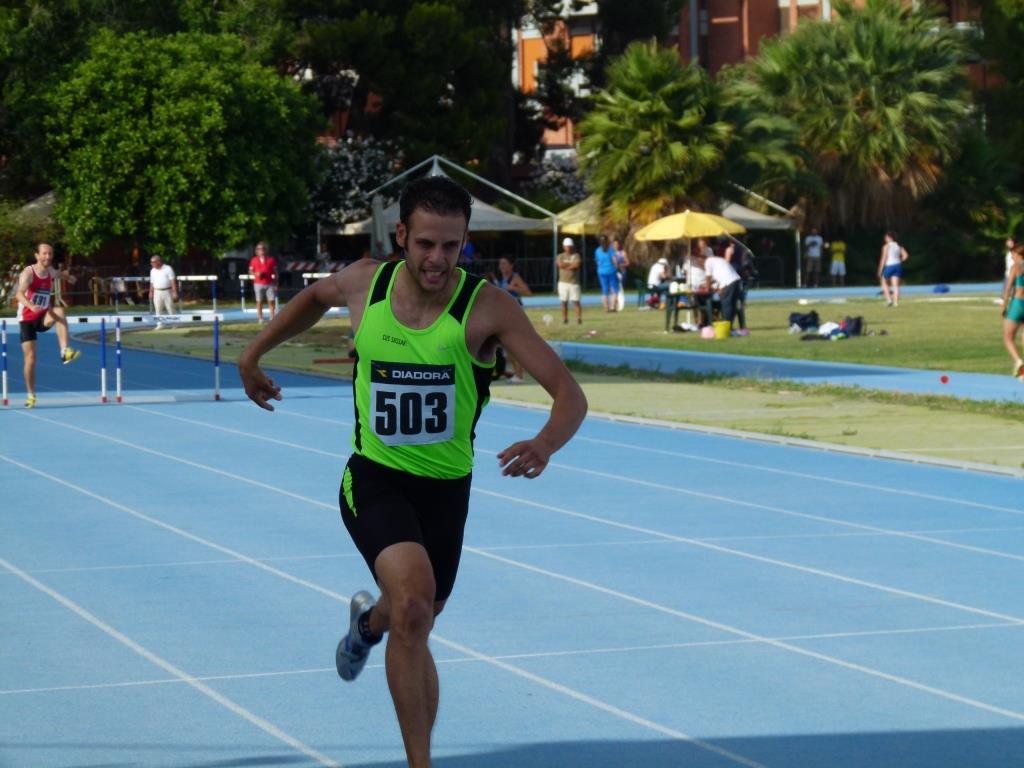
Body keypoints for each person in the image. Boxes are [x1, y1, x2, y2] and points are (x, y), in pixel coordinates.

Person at [237, 175, 587, 768]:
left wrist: (545, 443)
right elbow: (312, 299)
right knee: (416, 606)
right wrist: (252, 355)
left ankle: (365, 627)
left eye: (452, 246)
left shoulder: (487, 308)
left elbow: (569, 395)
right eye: (426, 243)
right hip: (374, 478)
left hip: (446, 493)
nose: (437, 259)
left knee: (413, 615)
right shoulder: (365, 284)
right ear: (401, 235)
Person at [14, 242, 81, 408]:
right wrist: (31, 305)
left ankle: (65, 352)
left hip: (43, 316)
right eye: (44, 253)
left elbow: (59, 274)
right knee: (31, 359)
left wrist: (69, 277)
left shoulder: (50, 271)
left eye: (50, 253)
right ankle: (31, 395)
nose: (48, 256)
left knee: (59, 311)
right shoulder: (28, 273)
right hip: (27, 319)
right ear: (37, 255)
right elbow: (19, 294)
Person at [493, 255, 533, 383]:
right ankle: (516, 373)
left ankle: (519, 375)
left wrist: (513, 288)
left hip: (515, 315)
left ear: (511, 265)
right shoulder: (502, 278)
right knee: (507, 346)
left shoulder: (514, 277)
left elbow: (528, 292)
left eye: (504, 264)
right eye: (500, 264)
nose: (502, 266)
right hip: (504, 314)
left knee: (513, 346)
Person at [700, 247, 744, 333]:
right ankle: (730, 325)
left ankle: (726, 327)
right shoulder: (717, 260)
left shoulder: (708, 261)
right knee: (732, 305)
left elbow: (708, 277)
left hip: (729, 282)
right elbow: (719, 276)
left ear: (702, 259)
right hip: (736, 280)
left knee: (726, 305)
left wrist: (707, 288)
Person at [1002, 243, 1024, 378]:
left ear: (1019, 255)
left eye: (1013, 255)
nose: (1012, 257)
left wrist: (1003, 306)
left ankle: (1018, 362)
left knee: (1008, 337)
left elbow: (1008, 288)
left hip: (1018, 304)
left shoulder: (1015, 267)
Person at [249, 242, 279, 324]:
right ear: (256, 251)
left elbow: (275, 272)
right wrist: (256, 274)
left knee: (271, 300)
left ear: (266, 250)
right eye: (259, 249)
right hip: (258, 283)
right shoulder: (254, 260)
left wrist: (276, 283)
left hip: (269, 283)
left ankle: (272, 317)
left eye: (262, 249)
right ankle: (260, 317)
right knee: (259, 301)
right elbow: (250, 271)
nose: (261, 250)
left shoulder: (271, 260)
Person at [877, 231, 909, 307]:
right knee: (896, 285)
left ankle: (889, 301)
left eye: (886, 237)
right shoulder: (899, 245)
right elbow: (906, 256)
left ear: (890, 237)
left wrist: (880, 270)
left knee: (883, 283)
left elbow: (883, 259)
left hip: (890, 266)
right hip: (898, 266)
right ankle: (896, 303)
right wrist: (899, 260)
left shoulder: (886, 246)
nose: (885, 239)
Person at [556, 237, 582, 324]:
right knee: (564, 302)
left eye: (570, 246)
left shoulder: (576, 255)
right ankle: (565, 318)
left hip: (574, 282)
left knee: (576, 301)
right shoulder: (560, 256)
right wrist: (571, 265)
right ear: (564, 247)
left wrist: (566, 266)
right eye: (567, 246)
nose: (569, 248)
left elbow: (577, 265)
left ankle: (578, 318)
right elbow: (560, 264)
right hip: (563, 282)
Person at [149, 255, 178, 329]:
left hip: (167, 291)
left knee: (170, 307)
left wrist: (174, 292)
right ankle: (160, 324)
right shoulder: (152, 271)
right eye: (151, 262)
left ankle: (174, 324)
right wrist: (151, 292)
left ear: (158, 261)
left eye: (153, 262)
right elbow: (152, 282)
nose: (152, 264)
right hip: (157, 291)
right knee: (158, 309)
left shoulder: (168, 268)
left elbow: (172, 281)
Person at [593, 234, 618, 312]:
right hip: (611, 271)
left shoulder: (597, 250)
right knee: (614, 289)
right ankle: (612, 307)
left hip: (601, 272)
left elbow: (597, 262)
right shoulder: (610, 249)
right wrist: (617, 268)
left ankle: (606, 308)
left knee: (605, 290)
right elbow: (614, 260)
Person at [612, 238, 630, 312]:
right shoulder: (611, 253)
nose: (616, 246)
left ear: (619, 245)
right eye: (614, 244)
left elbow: (627, 263)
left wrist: (621, 265)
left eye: (617, 244)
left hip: (621, 272)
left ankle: (621, 305)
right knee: (613, 289)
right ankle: (614, 304)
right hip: (612, 272)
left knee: (619, 288)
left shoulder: (622, 253)